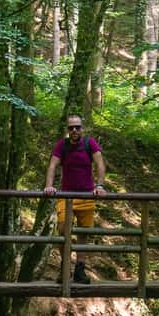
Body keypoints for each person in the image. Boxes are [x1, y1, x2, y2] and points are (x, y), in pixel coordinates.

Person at [43, 115, 106, 283]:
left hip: (87, 195)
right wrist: (49, 185)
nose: (74, 130)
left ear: (82, 128)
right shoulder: (62, 145)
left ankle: (80, 269)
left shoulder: (89, 143)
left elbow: (100, 163)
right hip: (66, 195)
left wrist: (99, 186)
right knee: (63, 230)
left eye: (77, 127)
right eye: (71, 128)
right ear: (67, 130)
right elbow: (52, 165)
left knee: (84, 234)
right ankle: (65, 269)